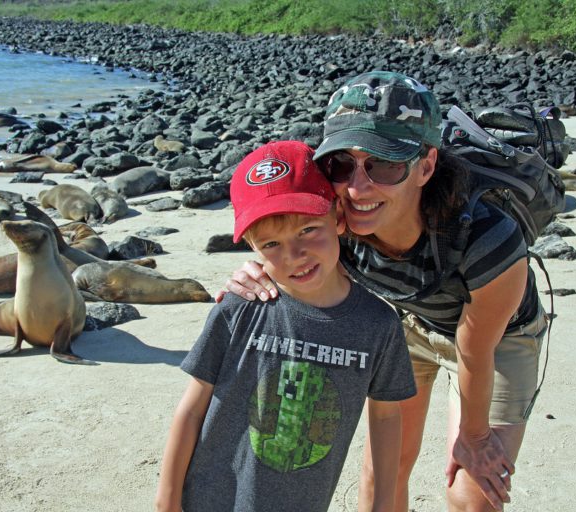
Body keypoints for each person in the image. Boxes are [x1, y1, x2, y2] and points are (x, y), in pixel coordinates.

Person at [221, 72, 549, 512]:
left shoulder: (487, 237)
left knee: (472, 494)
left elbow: (475, 350)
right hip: (406, 323)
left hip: (496, 339)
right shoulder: (336, 221)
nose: (358, 188)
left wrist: (474, 438)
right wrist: (257, 276)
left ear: (426, 166)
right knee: (382, 476)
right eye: (341, 164)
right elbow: (289, 254)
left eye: (386, 164)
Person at [155, 140, 416, 512]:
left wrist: (384, 504)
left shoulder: (379, 325)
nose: (294, 255)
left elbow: (387, 417)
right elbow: (192, 409)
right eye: (272, 243)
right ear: (252, 246)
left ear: (337, 217)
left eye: (308, 230)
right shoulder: (238, 308)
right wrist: (166, 500)